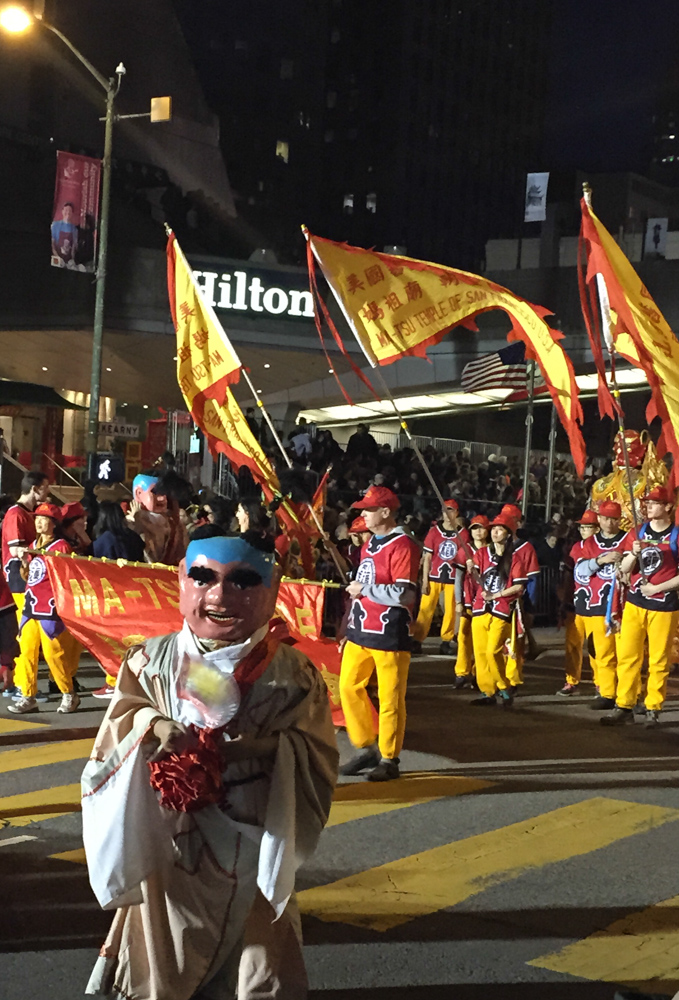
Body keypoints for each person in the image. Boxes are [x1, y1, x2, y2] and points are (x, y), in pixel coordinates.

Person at [81, 533, 337, 1000]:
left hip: (254, 823)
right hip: (171, 835)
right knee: (168, 936)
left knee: (256, 934)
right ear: (181, 580)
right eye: (204, 578)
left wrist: (259, 749)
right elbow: (124, 714)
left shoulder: (293, 674)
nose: (219, 596)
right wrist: (152, 724)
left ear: (273, 588)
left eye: (243, 581)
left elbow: (314, 749)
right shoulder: (151, 659)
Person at [338, 485, 420, 781]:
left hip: (388, 632)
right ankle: (365, 746)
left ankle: (389, 757)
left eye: (369, 510)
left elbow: (404, 593)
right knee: (348, 687)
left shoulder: (403, 544)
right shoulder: (369, 544)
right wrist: (348, 626)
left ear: (385, 512)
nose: (363, 514)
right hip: (360, 630)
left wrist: (366, 590)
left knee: (390, 698)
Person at [602, 486, 679, 727]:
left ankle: (653, 707)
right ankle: (624, 704)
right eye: (647, 503)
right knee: (628, 655)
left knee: (658, 659)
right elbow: (623, 569)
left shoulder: (676, 535)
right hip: (635, 603)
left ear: (668, 507)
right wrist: (633, 554)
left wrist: (657, 589)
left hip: (664, 605)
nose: (648, 506)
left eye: (655, 503)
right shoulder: (638, 532)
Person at [9, 503, 81, 714]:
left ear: (53, 523)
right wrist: (24, 561)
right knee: (27, 649)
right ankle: (28, 695)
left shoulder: (61, 547)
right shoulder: (33, 544)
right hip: (31, 604)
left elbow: (66, 577)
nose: (39, 522)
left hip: (50, 607)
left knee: (53, 653)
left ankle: (69, 693)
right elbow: (28, 577)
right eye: (37, 518)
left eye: (44, 519)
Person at [560, 502, 625, 706]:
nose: (584, 530)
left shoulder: (627, 539)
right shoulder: (582, 546)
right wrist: (601, 561)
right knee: (590, 649)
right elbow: (580, 572)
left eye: (613, 518)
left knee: (617, 652)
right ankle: (604, 690)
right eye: (604, 518)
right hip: (584, 604)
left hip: (616, 605)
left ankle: (618, 692)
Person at [468, 512, 529, 708]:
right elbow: (473, 571)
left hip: (501, 610)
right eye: (493, 529)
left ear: (508, 533)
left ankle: (503, 687)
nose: (494, 532)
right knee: (480, 653)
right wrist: (470, 566)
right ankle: (488, 691)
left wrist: (496, 596)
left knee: (492, 651)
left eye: (499, 529)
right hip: (480, 608)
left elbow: (519, 587)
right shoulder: (481, 554)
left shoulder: (515, 559)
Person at [412, 499, 470, 656]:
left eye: (450, 510)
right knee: (426, 609)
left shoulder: (462, 534)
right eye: (445, 511)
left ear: (456, 513)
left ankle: (447, 639)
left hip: (452, 577)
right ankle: (417, 639)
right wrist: (424, 579)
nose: (447, 514)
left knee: (451, 611)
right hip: (434, 576)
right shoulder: (434, 532)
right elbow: (428, 556)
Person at [558, 509, 599, 697]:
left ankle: (601, 683)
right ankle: (571, 681)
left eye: (588, 527)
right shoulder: (576, 548)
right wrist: (564, 601)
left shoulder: (603, 548)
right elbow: (568, 575)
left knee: (596, 647)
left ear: (597, 529)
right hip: (576, 603)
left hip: (596, 604)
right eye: (582, 527)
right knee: (573, 645)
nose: (583, 530)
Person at [454, 513, 489, 688]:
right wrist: (458, 601)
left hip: (485, 600)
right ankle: (462, 671)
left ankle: (478, 673)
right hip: (469, 598)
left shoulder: (492, 549)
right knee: (464, 635)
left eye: (480, 528)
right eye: (474, 528)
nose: (477, 532)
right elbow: (458, 577)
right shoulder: (465, 550)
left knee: (481, 639)